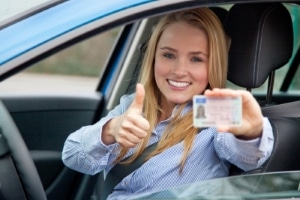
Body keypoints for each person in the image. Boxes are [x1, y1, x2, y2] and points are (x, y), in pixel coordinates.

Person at [62, 7, 274, 199]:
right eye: (169, 55)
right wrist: (111, 130)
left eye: (196, 59)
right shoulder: (134, 106)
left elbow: (250, 156)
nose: (179, 70)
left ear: (214, 65)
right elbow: (72, 155)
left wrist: (252, 132)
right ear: (153, 57)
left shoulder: (213, 109)